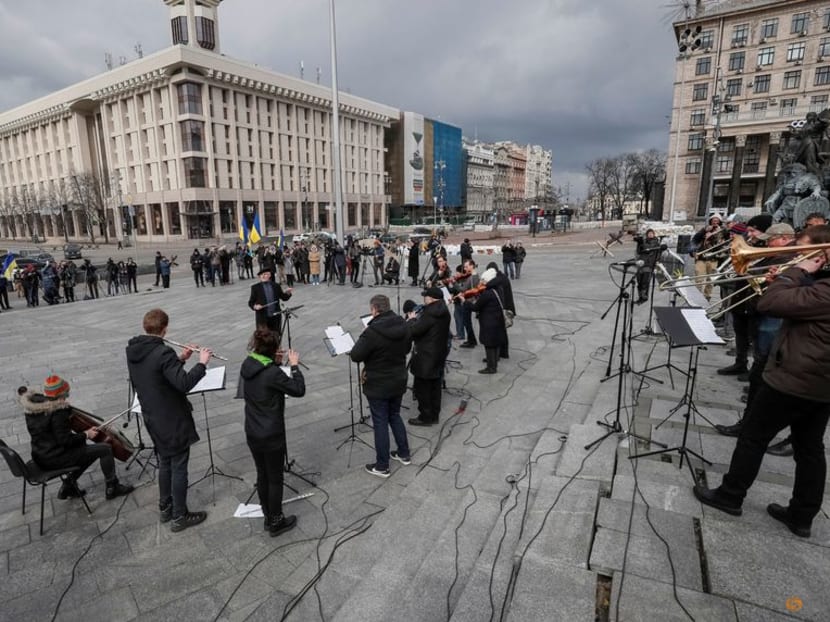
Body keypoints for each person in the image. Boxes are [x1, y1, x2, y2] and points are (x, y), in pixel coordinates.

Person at [693, 225, 830, 539]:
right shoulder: (821, 284)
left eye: (803, 251)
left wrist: (790, 276)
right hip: (820, 383)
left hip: (794, 377)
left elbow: (771, 306)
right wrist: (787, 281)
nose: (796, 256)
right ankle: (801, 514)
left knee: (753, 437)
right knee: (810, 449)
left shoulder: (823, 290)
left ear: (821, 254)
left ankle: (730, 495)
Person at [126, 308, 211, 532]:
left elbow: (158, 375)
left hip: (153, 416)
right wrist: (201, 363)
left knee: (165, 462)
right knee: (179, 465)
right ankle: (179, 516)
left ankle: (165, 507)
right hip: (171, 418)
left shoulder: (135, 350)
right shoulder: (162, 353)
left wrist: (180, 358)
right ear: (165, 329)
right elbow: (183, 384)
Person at [19, 376, 133, 501]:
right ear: (61, 394)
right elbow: (65, 441)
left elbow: (53, 436)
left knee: (87, 450)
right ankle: (112, 487)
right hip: (55, 458)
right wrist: (86, 434)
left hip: (41, 455)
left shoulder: (34, 406)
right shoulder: (58, 412)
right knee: (105, 449)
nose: (66, 397)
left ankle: (69, 486)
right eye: (65, 394)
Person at [240, 330, 305, 537]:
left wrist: (274, 361)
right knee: (275, 478)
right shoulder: (273, 373)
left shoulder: (248, 364)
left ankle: (268, 515)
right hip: (271, 433)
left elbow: (265, 377)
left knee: (262, 475)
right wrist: (293, 365)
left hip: (252, 430)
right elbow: (298, 389)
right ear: (271, 351)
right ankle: (276, 521)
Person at [350, 294, 412, 478]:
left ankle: (382, 465)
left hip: (378, 382)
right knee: (394, 415)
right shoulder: (403, 324)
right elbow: (407, 349)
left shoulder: (372, 331)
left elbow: (356, 355)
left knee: (380, 422)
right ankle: (404, 453)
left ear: (375, 310)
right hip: (399, 378)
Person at [405, 287, 451, 426]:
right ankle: (434, 415)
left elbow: (414, 331)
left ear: (431, 298)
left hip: (426, 356)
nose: (424, 299)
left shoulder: (430, 313)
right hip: (438, 354)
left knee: (422, 388)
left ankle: (425, 417)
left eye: (426, 296)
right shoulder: (444, 310)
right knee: (435, 387)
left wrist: (411, 320)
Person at [470, 268, 508, 374]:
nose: (482, 282)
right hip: (497, 320)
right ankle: (494, 362)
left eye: (484, 281)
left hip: (489, 322)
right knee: (495, 343)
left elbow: (476, 307)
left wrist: (466, 302)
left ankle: (491, 367)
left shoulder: (488, 293)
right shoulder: (498, 288)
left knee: (489, 344)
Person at [691, 214, 728, 301]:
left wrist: (720, 233)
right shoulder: (705, 229)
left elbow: (725, 242)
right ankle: (697, 296)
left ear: (719, 221)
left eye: (717, 220)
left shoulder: (722, 231)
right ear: (710, 221)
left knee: (710, 280)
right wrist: (704, 231)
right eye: (713, 220)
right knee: (699, 278)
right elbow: (695, 239)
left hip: (714, 258)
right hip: (702, 257)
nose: (715, 222)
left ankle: (707, 296)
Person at [248, 267, 293, 335]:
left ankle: (277, 345)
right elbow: (251, 302)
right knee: (263, 337)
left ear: (269, 275)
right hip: (262, 317)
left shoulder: (276, 286)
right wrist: (255, 306)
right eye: (261, 275)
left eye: (265, 274)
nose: (263, 276)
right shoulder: (255, 287)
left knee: (276, 335)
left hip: (275, 316)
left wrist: (288, 293)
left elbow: (284, 298)